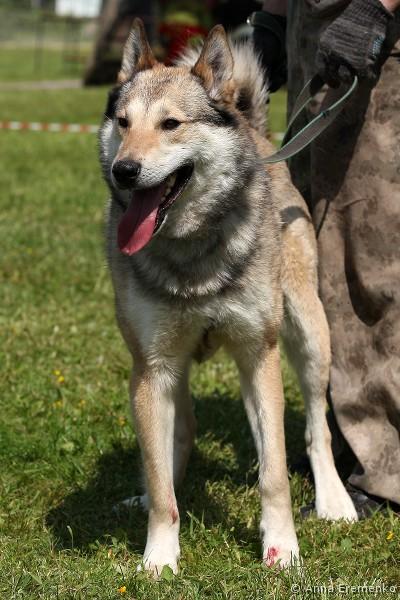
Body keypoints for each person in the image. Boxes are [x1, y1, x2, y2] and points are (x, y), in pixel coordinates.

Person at [250, 0, 400, 514]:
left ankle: (384, 465)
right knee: (316, 248)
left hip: (373, 35)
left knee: (370, 262)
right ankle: (344, 439)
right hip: (311, 37)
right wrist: (272, 19)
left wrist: (376, 8)